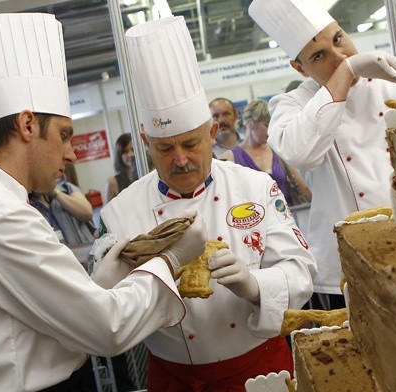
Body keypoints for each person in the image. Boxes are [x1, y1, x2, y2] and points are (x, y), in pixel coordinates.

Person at [0, 13, 206, 391]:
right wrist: (170, 261)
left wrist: (95, 286)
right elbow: (107, 328)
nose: (72, 154)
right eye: (64, 135)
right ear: (27, 126)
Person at [100, 15, 317, 391]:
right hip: (173, 378)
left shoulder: (256, 187)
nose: (180, 159)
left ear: (212, 132)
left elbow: (302, 272)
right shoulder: (119, 211)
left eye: (191, 144)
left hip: (260, 368)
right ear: (145, 142)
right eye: (165, 148)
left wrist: (255, 285)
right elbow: (110, 315)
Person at [249, 0, 396, 310]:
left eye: (338, 38)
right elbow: (302, 152)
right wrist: (350, 69)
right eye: (319, 55)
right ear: (299, 68)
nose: (339, 56)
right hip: (345, 269)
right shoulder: (292, 105)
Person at [221, 100, 311, 206]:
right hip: (254, 218)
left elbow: (304, 188)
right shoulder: (230, 158)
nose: (271, 130)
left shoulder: (278, 150)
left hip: (288, 216)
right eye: (266, 125)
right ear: (250, 124)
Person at [105, 132, 138, 203]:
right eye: (125, 151)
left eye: (133, 149)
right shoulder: (112, 183)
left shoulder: (146, 174)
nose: (130, 154)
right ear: (119, 155)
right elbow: (108, 213)